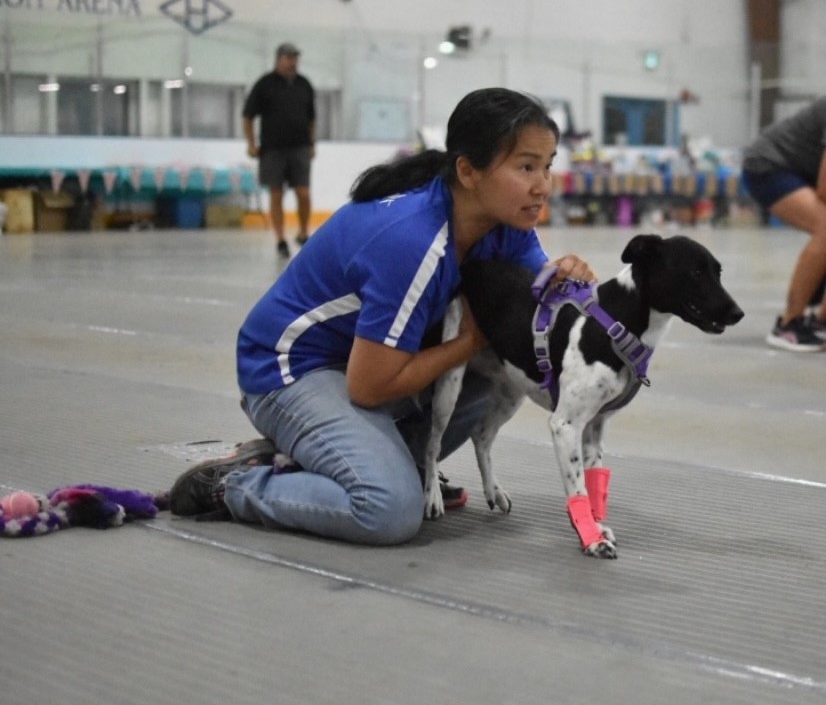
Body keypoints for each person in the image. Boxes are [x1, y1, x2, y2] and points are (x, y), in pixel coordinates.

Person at [170, 88, 596, 546]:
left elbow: (544, 320)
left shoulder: (506, 228)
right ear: (468, 172)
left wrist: (571, 285)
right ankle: (233, 487)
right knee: (387, 508)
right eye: (526, 167)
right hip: (289, 371)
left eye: (548, 165)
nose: (543, 185)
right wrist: (466, 344)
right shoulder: (412, 243)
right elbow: (368, 387)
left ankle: (325, 459)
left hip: (365, 364)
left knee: (489, 378)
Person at [741, 96, 826, 352]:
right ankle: (789, 324)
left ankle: (821, 322)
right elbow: (824, 190)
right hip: (769, 166)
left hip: (801, 171)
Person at [243, 42, 316, 258]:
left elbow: (312, 118)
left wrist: (312, 143)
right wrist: (251, 144)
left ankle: (303, 231)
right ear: (279, 59)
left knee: (303, 192)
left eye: (295, 58)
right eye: (288, 57)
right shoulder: (265, 84)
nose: (292, 62)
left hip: (300, 147)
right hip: (273, 149)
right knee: (276, 193)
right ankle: (280, 238)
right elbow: (248, 116)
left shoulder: (304, 85)